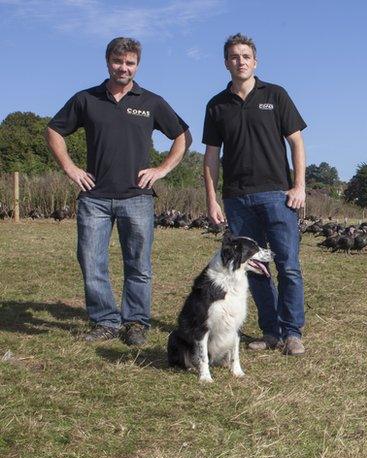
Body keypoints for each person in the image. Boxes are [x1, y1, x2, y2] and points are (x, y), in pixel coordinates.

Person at [46, 37, 191, 346]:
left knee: (138, 264)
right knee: (91, 261)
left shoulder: (151, 101)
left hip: (137, 197)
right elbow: (54, 130)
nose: (123, 68)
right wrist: (71, 169)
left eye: (130, 63)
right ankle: (105, 321)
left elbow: (182, 135)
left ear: (137, 65)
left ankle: (136, 322)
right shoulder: (86, 99)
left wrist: (161, 170)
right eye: (118, 61)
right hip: (94, 198)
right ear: (107, 61)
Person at [202, 33, 308, 356]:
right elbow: (210, 157)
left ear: (255, 61)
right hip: (237, 198)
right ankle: (271, 331)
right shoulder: (216, 105)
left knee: (288, 265)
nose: (240, 61)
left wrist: (299, 186)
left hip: (278, 196)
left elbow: (296, 143)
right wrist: (211, 197)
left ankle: (292, 332)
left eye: (246, 56)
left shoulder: (275, 95)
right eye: (234, 56)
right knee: (255, 268)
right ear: (226, 63)